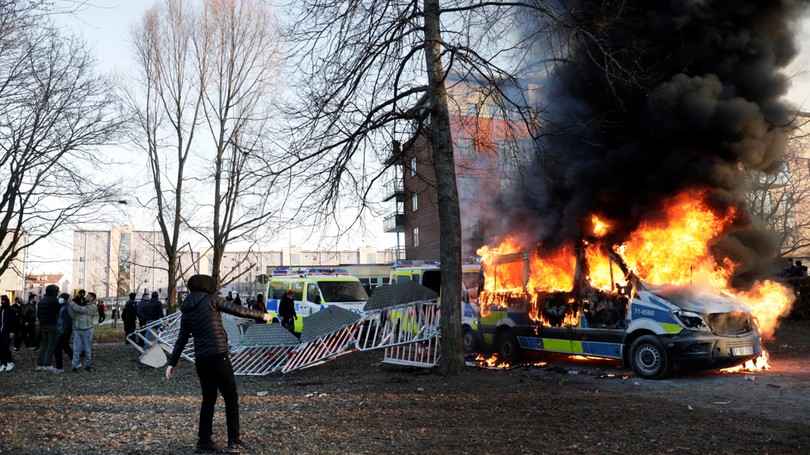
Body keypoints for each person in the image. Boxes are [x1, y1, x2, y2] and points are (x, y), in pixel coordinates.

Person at [166, 274, 272, 454]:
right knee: (231, 397)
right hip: (218, 356)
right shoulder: (212, 300)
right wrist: (262, 315)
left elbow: (181, 339)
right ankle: (234, 441)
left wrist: (172, 363)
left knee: (208, 399)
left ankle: (204, 442)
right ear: (207, 286)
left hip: (202, 360)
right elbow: (239, 310)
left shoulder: (187, 310)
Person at [69, 291, 98, 373]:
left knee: (87, 349)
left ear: (91, 299)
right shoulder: (83, 305)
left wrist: (71, 303)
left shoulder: (92, 307)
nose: (85, 297)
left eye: (87, 296)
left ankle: (87, 366)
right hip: (78, 329)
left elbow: (81, 310)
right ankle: (74, 366)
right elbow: (74, 314)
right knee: (76, 349)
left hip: (87, 330)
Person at [36, 285, 61, 372]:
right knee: (52, 344)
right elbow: (59, 311)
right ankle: (47, 364)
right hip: (52, 324)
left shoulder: (41, 301)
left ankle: (39, 364)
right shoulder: (55, 301)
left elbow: (38, 314)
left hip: (43, 325)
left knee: (44, 345)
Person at [54, 293, 74, 373]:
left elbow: (67, 321)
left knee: (57, 349)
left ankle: (59, 367)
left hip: (64, 331)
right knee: (66, 347)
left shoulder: (66, 308)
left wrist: (63, 332)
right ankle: (75, 362)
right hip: (64, 330)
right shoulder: (64, 307)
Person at [0, 295, 19, 372]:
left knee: (5, 346)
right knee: (1, 347)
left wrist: (13, 331)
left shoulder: (12, 310)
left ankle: (10, 362)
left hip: (8, 331)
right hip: (1, 331)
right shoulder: (1, 310)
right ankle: (3, 363)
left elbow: (16, 322)